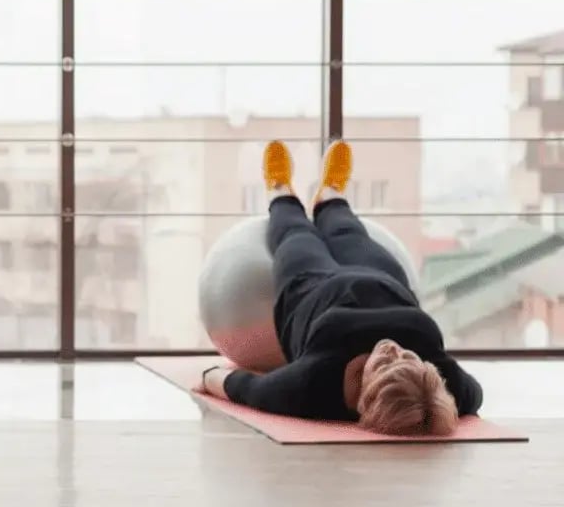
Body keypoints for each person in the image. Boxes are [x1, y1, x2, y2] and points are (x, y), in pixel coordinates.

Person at [198, 139, 482, 435]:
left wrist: (208, 378)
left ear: (365, 397)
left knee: (295, 235)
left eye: (384, 363)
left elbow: (249, 389)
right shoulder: (441, 384)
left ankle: (279, 190)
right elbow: (474, 395)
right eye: (408, 357)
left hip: (310, 286)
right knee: (346, 230)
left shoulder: (312, 386)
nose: (392, 348)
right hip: (381, 276)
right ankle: (330, 194)